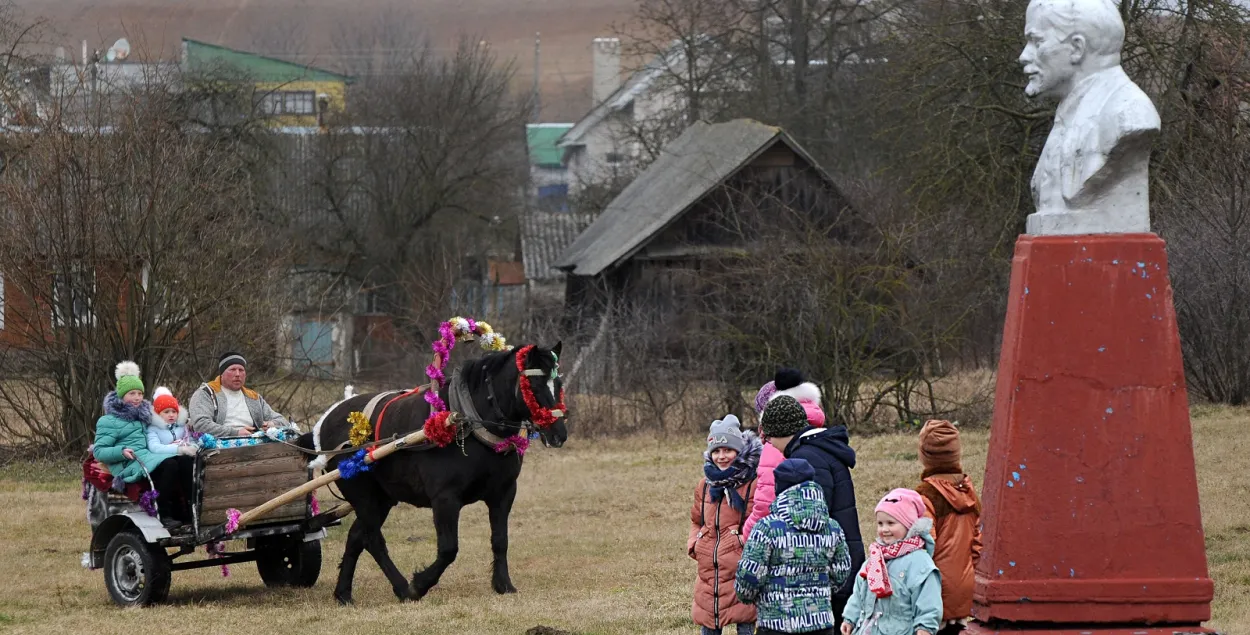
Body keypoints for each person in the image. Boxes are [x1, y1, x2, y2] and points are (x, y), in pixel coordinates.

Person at [759, 395, 863, 629]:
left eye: (768, 436)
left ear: (780, 431)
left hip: (831, 568)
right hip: (841, 558)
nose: (769, 443)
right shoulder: (817, 451)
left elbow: (810, 520)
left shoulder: (807, 460)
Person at [735, 458, 853, 635]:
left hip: (775, 623)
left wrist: (749, 596)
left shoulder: (767, 528)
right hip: (820, 624)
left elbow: (750, 575)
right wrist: (819, 591)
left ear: (779, 488)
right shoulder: (832, 527)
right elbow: (842, 570)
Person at [690, 414, 761, 635]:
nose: (722, 456)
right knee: (709, 622)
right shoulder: (705, 485)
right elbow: (696, 520)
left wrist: (742, 542)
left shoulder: (752, 483)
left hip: (741, 569)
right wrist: (695, 543)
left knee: (745, 622)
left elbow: (758, 520)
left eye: (728, 450)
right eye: (717, 451)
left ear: (739, 451)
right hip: (709, 570)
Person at [92, 362, 184, 527]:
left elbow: (159, 433)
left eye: (140, 393)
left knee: (184, 460)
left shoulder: (144, 416)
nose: (137, 398)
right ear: (121, 396)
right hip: (128, 462)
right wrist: (121, 451)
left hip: (146, 456)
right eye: (132, 393)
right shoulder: (108, 421)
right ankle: (163, 513)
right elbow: (99, 451)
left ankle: (185, 510)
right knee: (169, 465)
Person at [841, 489, 942, 635]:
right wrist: (850, 618)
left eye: (891, 523)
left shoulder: (920, 563)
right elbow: (859, 593)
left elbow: (929, 600)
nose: (884, 529)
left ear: (908, 524)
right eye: (880, 523)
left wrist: (925, 628)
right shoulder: (876, 557)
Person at [914, 421, 981, 635]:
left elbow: (923, 547)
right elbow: (979, 544)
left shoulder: (925, 496)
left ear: (924, 454)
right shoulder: (969, 493)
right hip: (964, 587)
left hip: (934, 590)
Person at [746, 369, 827, 538]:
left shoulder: (775, 443)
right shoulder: (820, 433)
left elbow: (766, 501)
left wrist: (747, 533)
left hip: (784, 538)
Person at [188, 352, 289, 438]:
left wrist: (271, 424)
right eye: (232, 370)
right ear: (222, 374)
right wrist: (235, 432)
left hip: (255, 444)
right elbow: (200, 425)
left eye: (241, 370)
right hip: (218, 447)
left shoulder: (253, 397)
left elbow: (283, 421)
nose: (237, 374)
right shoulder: (206, 393)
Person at [146, 387, 197, 523]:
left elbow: (193, 441)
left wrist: (190, 447)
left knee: (186, 462)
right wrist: (177, 448)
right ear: (158, 414)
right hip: (161, 462)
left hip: (180, 460)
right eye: (166, 412)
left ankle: (190, 509)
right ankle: (164, 512)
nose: (171, 415)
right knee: (171, 465)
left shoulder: (181, 427)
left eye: (174, 411)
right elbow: (154, 447)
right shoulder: (153, 428)